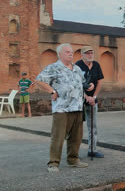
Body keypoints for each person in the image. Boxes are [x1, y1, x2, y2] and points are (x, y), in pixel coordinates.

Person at [35, 43, 94, 172]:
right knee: (58, 136)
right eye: (67, 52)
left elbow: (81, 85)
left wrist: (88, 89)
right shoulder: (53, 68)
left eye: (71, 52)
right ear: (60, 54)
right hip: (62, 108)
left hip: (77, 107)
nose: (71, 53)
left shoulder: (77, 69)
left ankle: (73, 160)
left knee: (76, 137)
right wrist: (52, 91)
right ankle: (53, 163)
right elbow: (39, 80)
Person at [76, 46, 104, 158]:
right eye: (87, 53)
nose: (90, 55)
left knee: (93, 127)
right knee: (77, 128)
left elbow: (99, 82)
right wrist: (86, 96)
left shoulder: (96, 65)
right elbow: (75, 84)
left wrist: (94, 97)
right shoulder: (77, 66)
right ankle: (74, 152)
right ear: (82, 55)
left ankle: (92, 149)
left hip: (93, 101)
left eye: (91, 53)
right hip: (79, 101)